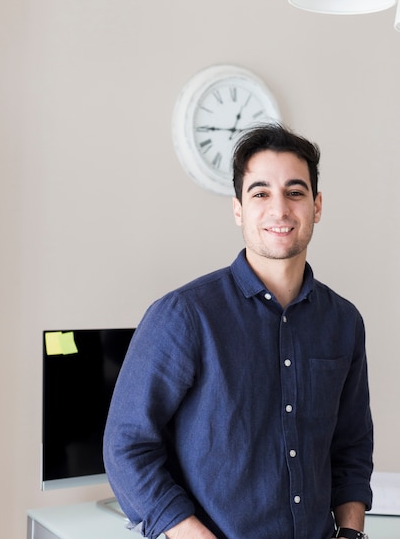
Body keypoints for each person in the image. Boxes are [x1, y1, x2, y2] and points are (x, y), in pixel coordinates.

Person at [103, 124, 373, 539]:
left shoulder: (344, 322)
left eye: (295, 192)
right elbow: (127, 447)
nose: (279, 209)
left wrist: (352, 532)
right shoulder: (185, 315)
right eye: (260, 193)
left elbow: (351, 446)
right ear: (238, 209)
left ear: (316, 206)